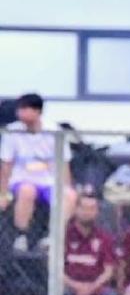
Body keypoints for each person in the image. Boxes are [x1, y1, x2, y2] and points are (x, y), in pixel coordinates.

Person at [0, 93, 77, 251]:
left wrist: (67, 186)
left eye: (25, 109)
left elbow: (64, 164)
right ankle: (21, 236)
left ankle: (53, 237)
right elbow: (6, 165)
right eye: (20, 109)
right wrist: (2, 193)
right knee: (27, 191)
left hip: (48, 182)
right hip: (22, 180)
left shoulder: (54, 132)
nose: (20, 113)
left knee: (69, 195)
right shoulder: (12, 132)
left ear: (37, 111)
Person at [63, 193, 117, 295]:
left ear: (97, 212)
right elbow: (56, 269)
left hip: (96, 286)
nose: (87, 212)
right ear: (76, 210)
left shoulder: (104, 237)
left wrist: (92, 287)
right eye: (84, 208)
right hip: (70, 284)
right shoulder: (64, 235)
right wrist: (76, 286)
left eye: (92, 208)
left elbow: (109, 270)